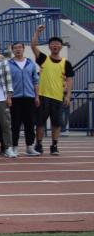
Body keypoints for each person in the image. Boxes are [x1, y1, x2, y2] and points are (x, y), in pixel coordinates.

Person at [31, 24, 74, 156]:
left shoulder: (66, 63)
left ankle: (54, 145)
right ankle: (38, 144)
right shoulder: (43, 59)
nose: (55, 46)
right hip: (43, 96)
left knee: (56, 123)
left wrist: (68, 96)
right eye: (53, 44)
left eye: (57, 44)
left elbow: (69, 80)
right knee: (40, 123)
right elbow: (33, 46)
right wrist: (37, 32)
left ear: (61, 47)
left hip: (57, 97)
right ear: (49, 46)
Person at [8, 41, 40, 156]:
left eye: (20, 47)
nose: (18, 50)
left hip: (29, 97)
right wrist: (8, 97)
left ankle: (29, 147)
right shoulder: (8, 64)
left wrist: (37, 96)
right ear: (12, 50)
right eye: (15, 48)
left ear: (23, 49)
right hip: (14, 98)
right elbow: (7, 82)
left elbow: (36, 81)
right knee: (15, 123)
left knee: (30, 123)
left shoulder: (30, 63)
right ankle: (14, 147)